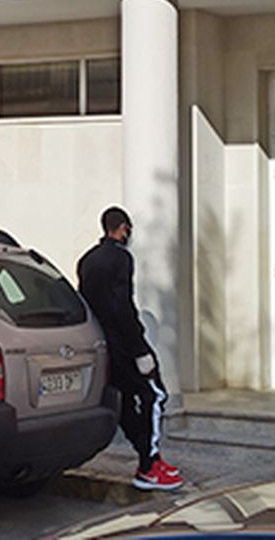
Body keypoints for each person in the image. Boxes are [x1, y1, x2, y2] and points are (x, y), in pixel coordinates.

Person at [77, 206, 184, 491]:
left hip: (105, 343)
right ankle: (149, 466)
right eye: (128, 230)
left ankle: (149, 458)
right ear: (123, 228)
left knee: (125, 401)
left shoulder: (87, 260)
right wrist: (140, 349)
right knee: (155, 395)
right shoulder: (120, 258)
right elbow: (122, 306)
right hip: (125, 343)